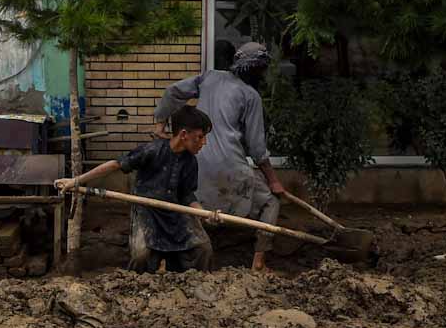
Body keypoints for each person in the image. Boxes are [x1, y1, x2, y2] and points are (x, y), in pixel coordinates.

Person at [154, 41, 286, 273]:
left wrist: (160, 124)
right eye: (262, 70)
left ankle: (166, 260)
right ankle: (258, 263)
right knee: (270, 202)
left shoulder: (209, 78)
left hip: (195, 164)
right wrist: (274, 181)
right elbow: (257, 149)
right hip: (231, 168)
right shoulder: (250, 95)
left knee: (182, 203)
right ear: (256, 70)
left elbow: (173, 91)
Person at [56, 106, 217, 273]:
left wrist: (204, 214)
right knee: (142, 256)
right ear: (184, 134)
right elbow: (116, 164)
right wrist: (76, 181)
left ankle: (193, 289)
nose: (204, 142)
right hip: (147, 213)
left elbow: (187, 196)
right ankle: (137, 289)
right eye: (200, 137)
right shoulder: (152, 150)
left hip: (175, 215)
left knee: (203, 249)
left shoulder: (191, 162)